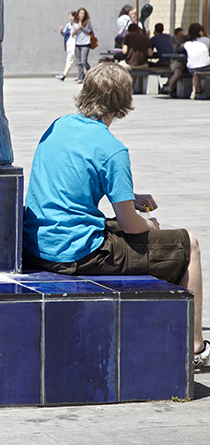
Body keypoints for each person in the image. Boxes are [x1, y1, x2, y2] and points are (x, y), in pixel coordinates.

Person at [23, 62, 209, 369]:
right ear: (124, 101)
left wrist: (129, 198)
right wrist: (149, 223)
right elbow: (130, 225)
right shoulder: (112, 149)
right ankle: (196, 348)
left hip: (38, 244)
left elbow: (73, 183)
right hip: (75, 254)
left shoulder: (58, 126)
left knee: (130, 231)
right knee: (188, 244)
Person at [72, 7, 95, 84]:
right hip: (78, 44)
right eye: (81, 13)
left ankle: (91, 73)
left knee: (84, 61)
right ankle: (80, 78)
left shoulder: (87, 22)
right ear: (78, 14)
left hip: (86, 43)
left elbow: (92, 30)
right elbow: (72, 34)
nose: (82, 15)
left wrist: (95, 38)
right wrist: (77, 28)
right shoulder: (75, 23)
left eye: (83, 13)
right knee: (79, 62)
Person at [56, 11, 78, 81]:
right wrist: (61, 31)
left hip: (73, 46)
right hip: (68, 45)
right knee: (76, 62)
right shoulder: (68, 25)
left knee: (69, 60)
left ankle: (64, 75)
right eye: (69, 16)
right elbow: (65, 34)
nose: (70, 18)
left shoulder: (76, 25)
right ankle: (82, 75)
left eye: (72, 16)